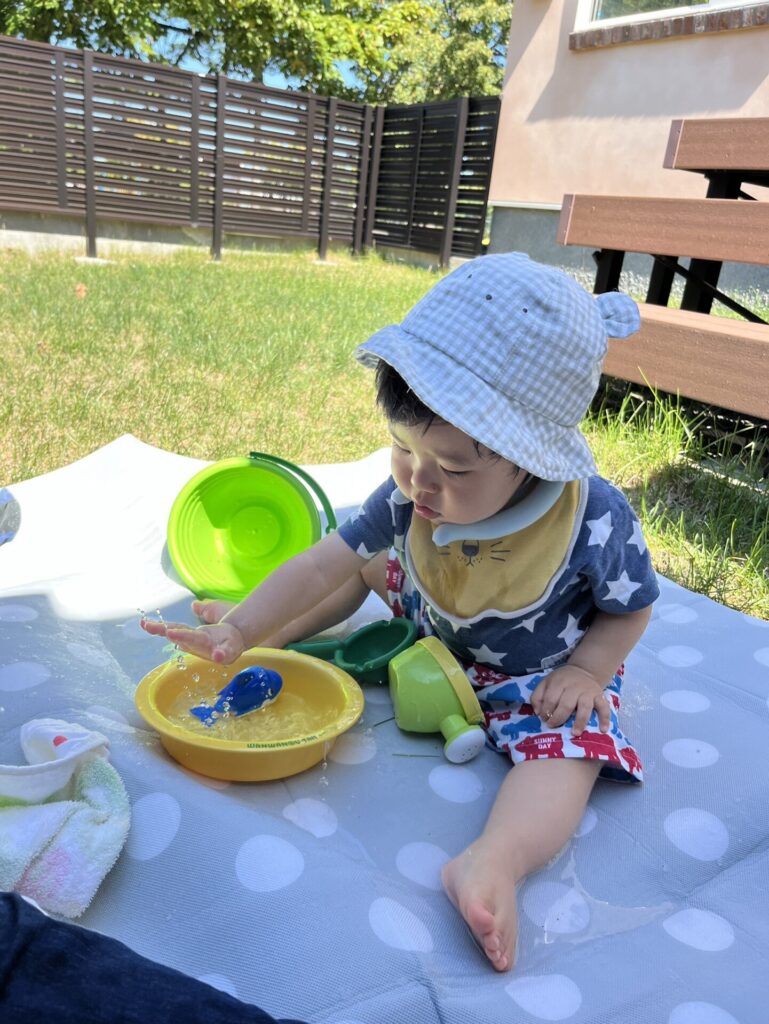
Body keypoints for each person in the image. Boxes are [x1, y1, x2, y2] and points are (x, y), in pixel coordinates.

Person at [143, 252, 659, 973]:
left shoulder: (590, 519)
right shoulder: (411, 495)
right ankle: (264, 634)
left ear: (530, 459)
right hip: (429, 616)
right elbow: (322, 562)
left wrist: (586, 670)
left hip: (530, 674)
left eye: (451, 467)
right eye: (400, 444)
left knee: (571, 749)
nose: (418, 478)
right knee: (358, 559)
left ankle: (492, 862)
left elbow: (630, 610)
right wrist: (241, 628)